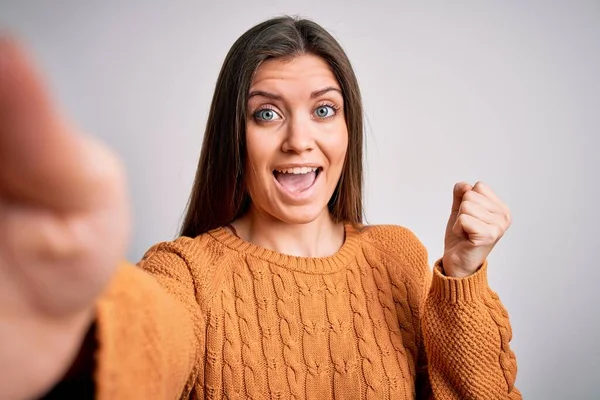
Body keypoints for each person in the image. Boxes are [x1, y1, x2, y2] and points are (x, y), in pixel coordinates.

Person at [0, 16, 521, 400]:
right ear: (235, 135)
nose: (299, 139)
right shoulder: (186, 272)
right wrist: (77, 330)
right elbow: (149, 341)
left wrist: (461, 276)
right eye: (267, 113)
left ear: (347, 129)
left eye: (323, 110)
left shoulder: (398, 254)